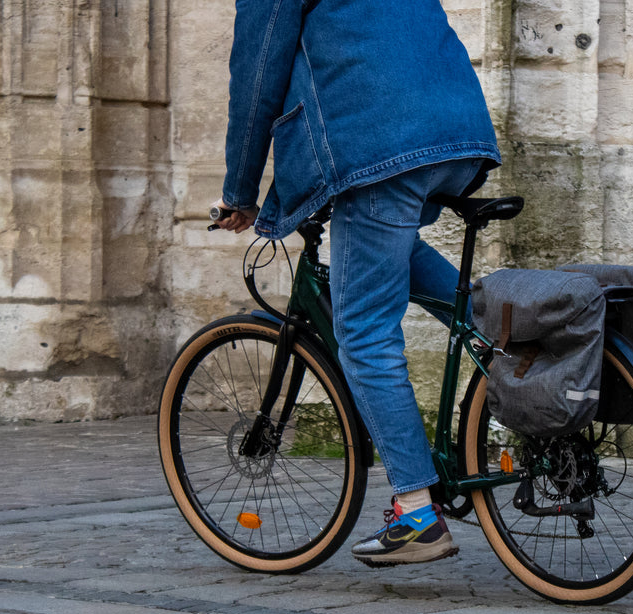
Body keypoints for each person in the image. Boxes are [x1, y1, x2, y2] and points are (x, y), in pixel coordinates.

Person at [213, 0, 501, 566]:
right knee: (385, 251)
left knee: (364, 334)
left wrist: (240, 191)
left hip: (379, 137)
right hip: (457, 128)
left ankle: (417, 512)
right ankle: (518, 340)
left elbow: (256, 74)